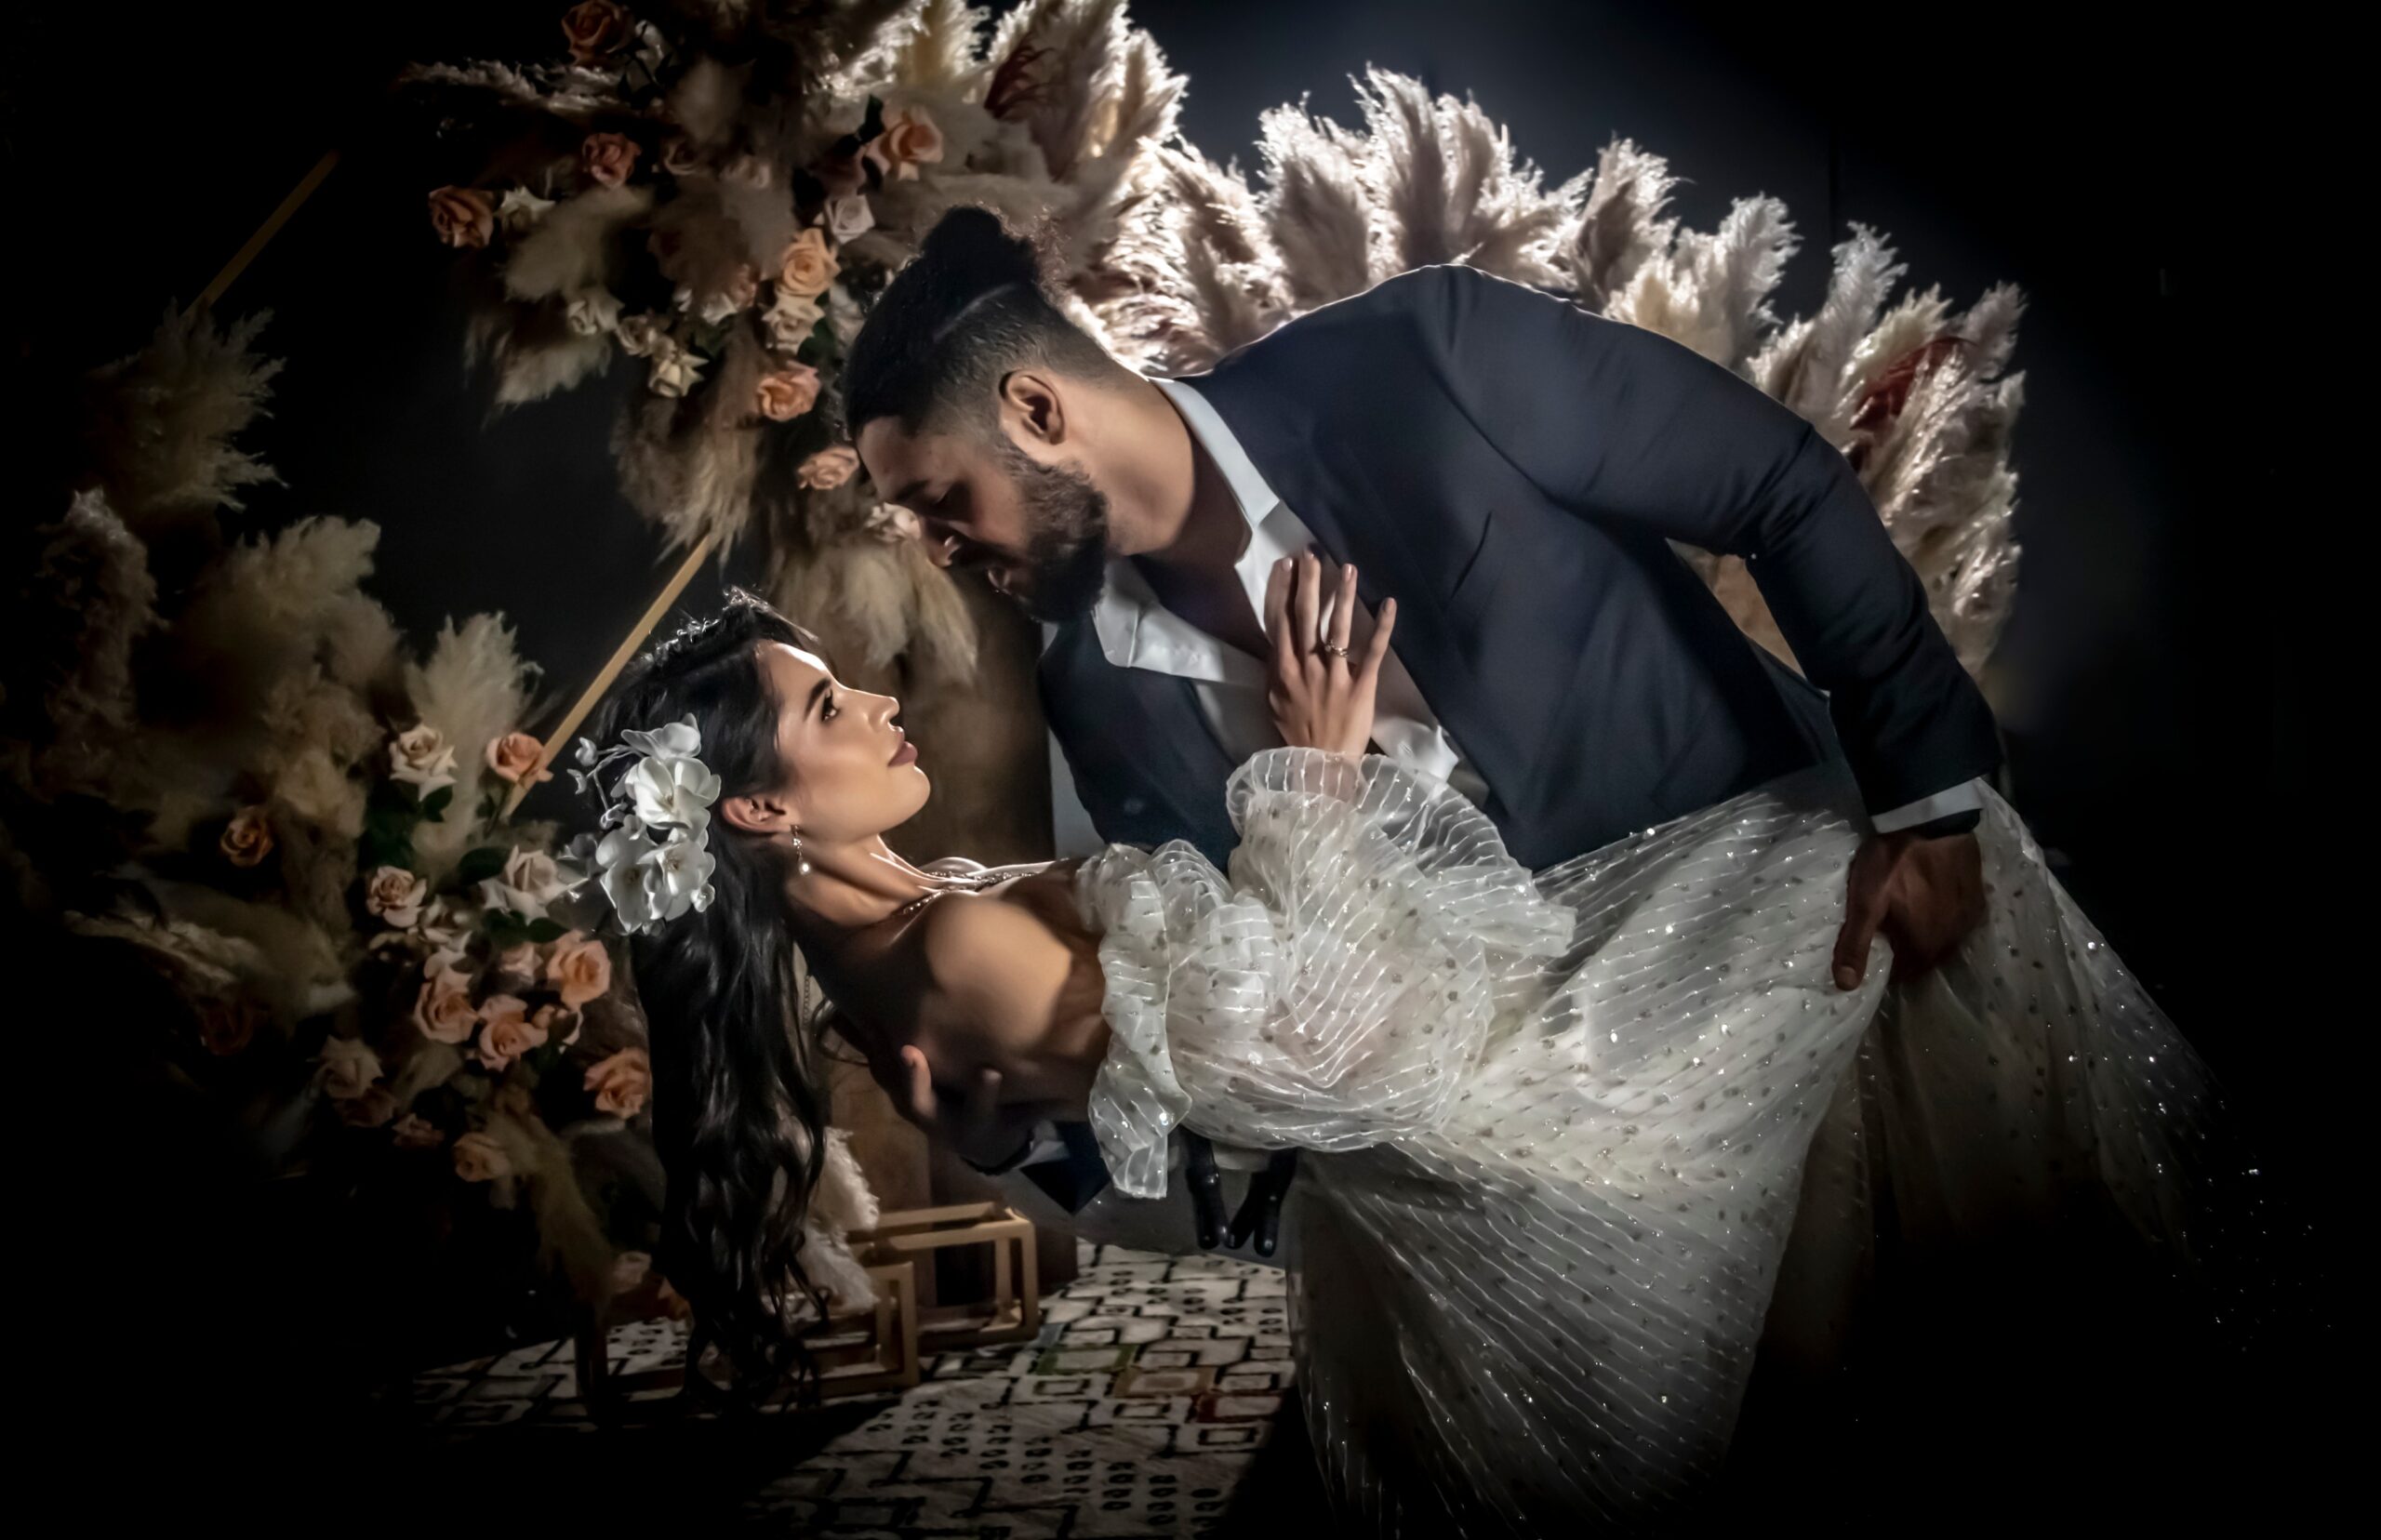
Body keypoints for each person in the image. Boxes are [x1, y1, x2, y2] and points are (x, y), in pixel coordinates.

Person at [571, 584, 2265, 1532]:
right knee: (1876, 859)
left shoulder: (905, 933)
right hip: (1521, 1131)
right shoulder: (944, 955)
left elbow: (1098, 1095)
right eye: (827, 710)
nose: (878, 702)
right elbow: (1332, 1063)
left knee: (1875, 899)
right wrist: (1314, 770)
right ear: (759, 811)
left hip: (1461, 1084)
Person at [836, 207, 2001, 1245]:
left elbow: (1776, 484)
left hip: (1815, 945)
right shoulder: (1093, 696)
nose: (937, 551)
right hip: (1573, 1187)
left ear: (1038, 410)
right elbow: (1240, 1027)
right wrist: (1010, 1136)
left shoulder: (1422, 356)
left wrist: (1927, 803)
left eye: (940, 501)